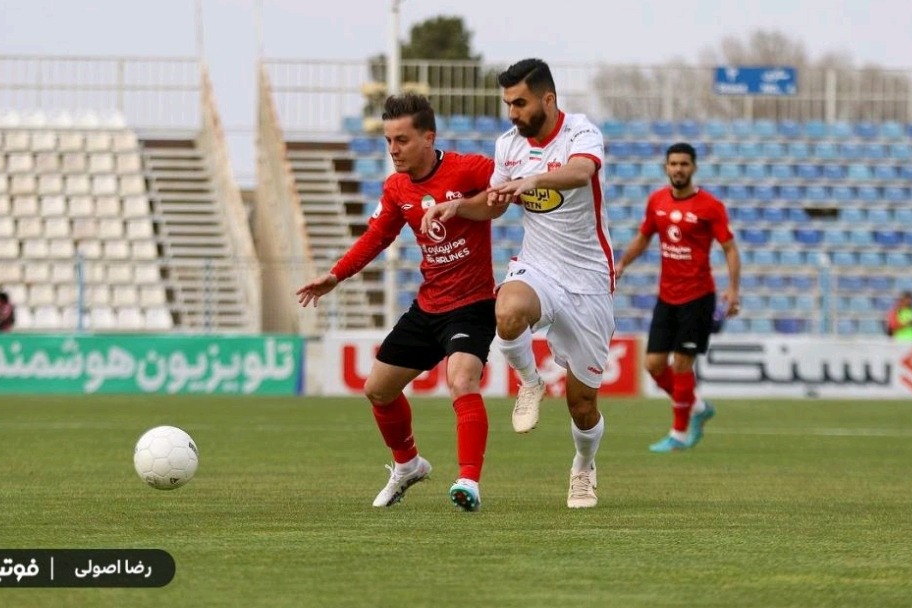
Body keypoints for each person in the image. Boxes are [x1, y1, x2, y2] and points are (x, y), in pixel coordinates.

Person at [297, 93, 502, 512]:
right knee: (377, 390)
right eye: (389, 141)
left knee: (461, 380)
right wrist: (336, 275)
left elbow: (506, 194)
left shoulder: (471, 168)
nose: (393, 150)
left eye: (402, 140)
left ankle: (468, 481)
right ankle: (408, 465)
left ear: (429, 137)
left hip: (472, 304)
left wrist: (461, 205)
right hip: (428, 307)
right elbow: (377, 237)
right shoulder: (396, 187)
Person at [425, 58, 614, 509]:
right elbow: (495, 203)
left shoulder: (581, 133)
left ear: (547, 99)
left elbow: (581, 173)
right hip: (539, 267)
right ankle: (530, 381)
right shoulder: (508, 145)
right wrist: (458, 208)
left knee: (583, 406)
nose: (512, 112)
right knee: (507, 312)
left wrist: (533, 179)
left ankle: (584, 466)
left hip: (588, 281)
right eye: (508, 103)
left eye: (520, 102)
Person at [614, 142, 741, 453]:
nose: (679, 169)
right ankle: (696, 405)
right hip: (667, 296)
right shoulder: (656, 201)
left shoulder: (710, 206)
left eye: (684, 164)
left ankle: (679, 434)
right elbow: (644, 237)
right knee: (654, 365)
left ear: (694, 167)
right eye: (673, 164)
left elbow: (729, 248)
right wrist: (622, 264)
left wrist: (733, 289)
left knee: (682, 363)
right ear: (666, 167)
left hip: (698, 297)